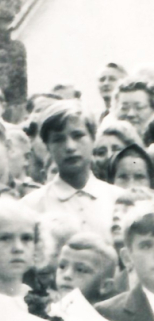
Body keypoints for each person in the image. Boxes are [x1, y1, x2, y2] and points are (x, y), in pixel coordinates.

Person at [22, 101, 123, 241]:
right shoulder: (31, 207)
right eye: (58, 139)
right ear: (48, 147)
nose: (69, 146)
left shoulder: (118, 199)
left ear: (93, 139)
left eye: (78, 136)